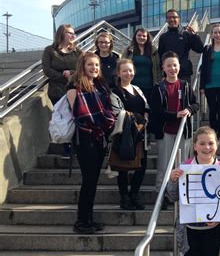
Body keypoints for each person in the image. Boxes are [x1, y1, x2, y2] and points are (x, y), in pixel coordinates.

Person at [167, 126, 220, 256]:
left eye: (210, 143)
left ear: (216, 145)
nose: (206, 147)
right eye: (202, 143)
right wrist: (173, 180)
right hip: (190, 231)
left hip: (213, 230)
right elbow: (173, 196)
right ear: (194, 146)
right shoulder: (185, 167)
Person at [66, 52, 115, 234]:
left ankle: (89, 218)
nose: (94, 68)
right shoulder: (74, 85)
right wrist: (106, 119)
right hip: (85, 137)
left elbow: (109, 110)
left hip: (100, 136)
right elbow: (80, 113)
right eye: (90, 65)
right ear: (82, 66)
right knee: (88, 180)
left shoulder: (101, 86)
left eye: (96, 65)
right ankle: (81, 221)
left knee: (93, 180)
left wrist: (107, 120)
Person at [149, 51, 199, 195]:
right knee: (164, 166)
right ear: (163, 68)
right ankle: (162, 194)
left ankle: (179, 193)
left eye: (175, 65)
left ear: (179, 66)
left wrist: (189, 110)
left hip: (184, 131)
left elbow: (195, 104)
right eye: (169, 66)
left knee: (183, 165)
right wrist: (175, 115)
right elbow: (156, 112)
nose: (172, 69)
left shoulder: (185, 85)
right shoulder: (159, 87)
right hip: (166, 132)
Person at [112, 59, 149, 210]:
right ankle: (124, 197)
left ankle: (134, 194)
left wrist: (145, 117)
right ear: (118, 73)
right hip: (125, 134)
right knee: (122, 167)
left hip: (141, 134)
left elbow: (146, 106)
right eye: (125, 70)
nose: (128, 73)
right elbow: (117, 112)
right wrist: (137, 118)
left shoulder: (137, 89)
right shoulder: (115, 92)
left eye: (130, 70)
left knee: (142, 166)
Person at [158, 9, 204, 83]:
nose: (172, 19)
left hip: (184, 73)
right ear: (166, 20)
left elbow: (200, 49)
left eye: (174, 17)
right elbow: (161, 56)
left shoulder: (186, 34)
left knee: (184, 94)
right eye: (169, 17)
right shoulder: (163, 37)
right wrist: (163, 74)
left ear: (179, 19)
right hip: (169, 73)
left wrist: (195, 36)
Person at [42, 24, 82, 105]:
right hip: (57, 91)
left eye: (74, 34)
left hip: (75, 89)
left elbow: (83, 67)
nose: (73, 36)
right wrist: (63, 77)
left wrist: (71, 73)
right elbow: (46, 69)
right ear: (61, 33)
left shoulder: (77, 51)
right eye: (70, 33)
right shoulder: (49, 50)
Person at [122, 28, 159, 101]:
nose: (141, 37)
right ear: (135, 37)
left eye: (144, 36)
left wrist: (158, 83)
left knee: (149, 110)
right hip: (133, 87)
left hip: (150, 87)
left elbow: (158, 68)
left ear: (147, 38)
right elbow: (122, 66)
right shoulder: (128, 50)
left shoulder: (153, 51)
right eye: (139, 35)